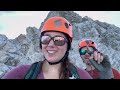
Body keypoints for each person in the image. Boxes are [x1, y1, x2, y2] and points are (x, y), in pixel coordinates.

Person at [2, 16, 92, 79]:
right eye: (46, 39)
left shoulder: (81, 76)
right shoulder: (22, 73)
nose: (51, 44)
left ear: (68, 46)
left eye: (58, 40)